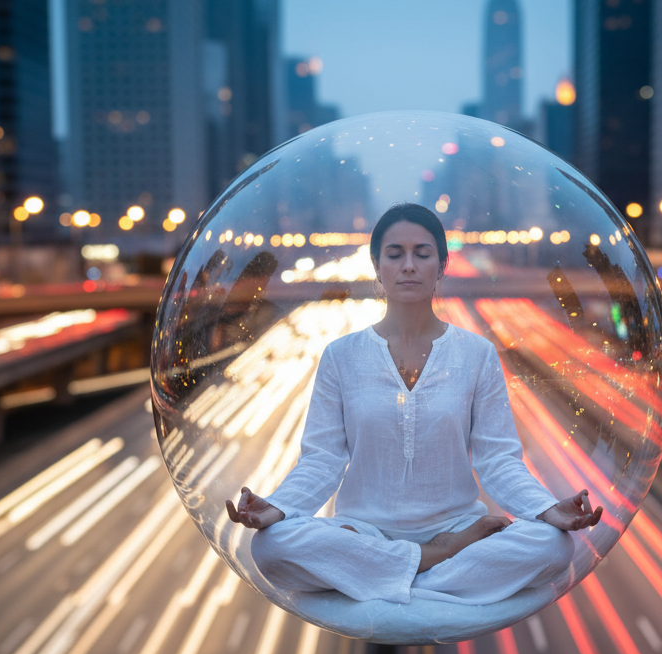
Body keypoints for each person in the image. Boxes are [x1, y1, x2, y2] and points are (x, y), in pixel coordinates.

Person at [225, 202, 602, 605]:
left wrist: (547, 510)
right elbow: (323, 459)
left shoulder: (477, 354)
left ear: (441, 265)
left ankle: (379, 574)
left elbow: (498, 460)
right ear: (377, 266)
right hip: (365, 530)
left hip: (458, 525)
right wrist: (278, 508)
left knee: (553, 546)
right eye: (395, 254)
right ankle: (433, 561)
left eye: (422, 254)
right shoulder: (341, 356)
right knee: (271, 546)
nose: (408, 266)